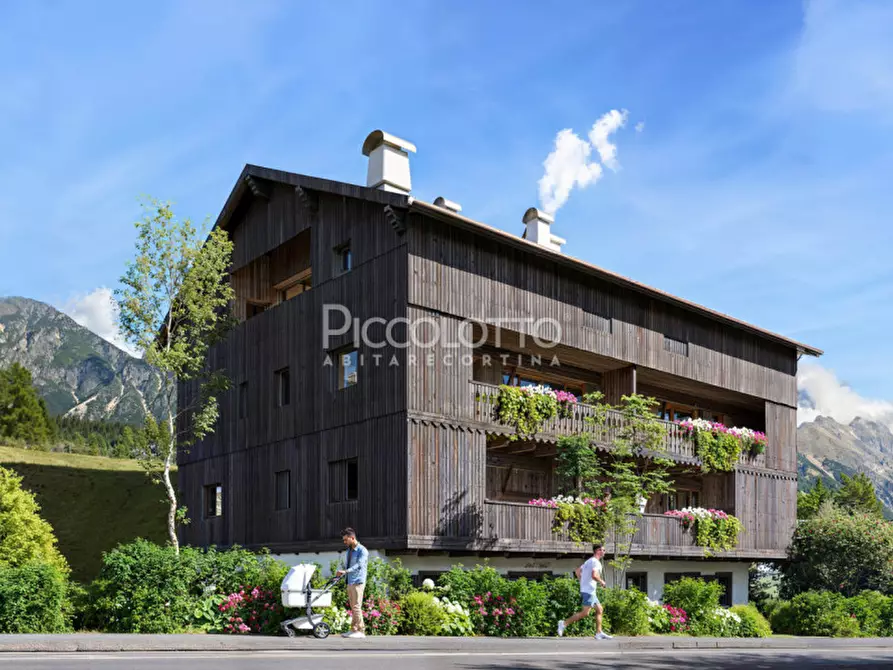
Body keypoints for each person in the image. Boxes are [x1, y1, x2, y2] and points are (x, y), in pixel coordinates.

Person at [557, 544, 613, 640]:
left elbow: (577, 571)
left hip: (588, 590)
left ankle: (599, 632)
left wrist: (582, 582)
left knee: (599, 609)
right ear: (598, 551)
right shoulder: (596, 562)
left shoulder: (589, 561)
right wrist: (602, 582)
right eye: (603, 550)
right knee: (585, 613)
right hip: (589, 591)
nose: (604, 552)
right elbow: (594, 575)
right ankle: (564, 623)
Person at [335, 527, 369, 638]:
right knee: (353, 606)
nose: (344, 542)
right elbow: (348, 565)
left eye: (346, 540)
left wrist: (346, 571)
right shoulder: (349, 550)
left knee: (356, 607)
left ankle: (360, 631)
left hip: (358, 581)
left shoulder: (362, 551)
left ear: (352, 538)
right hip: (349, 581)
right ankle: (354, 630)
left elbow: (359, 565)